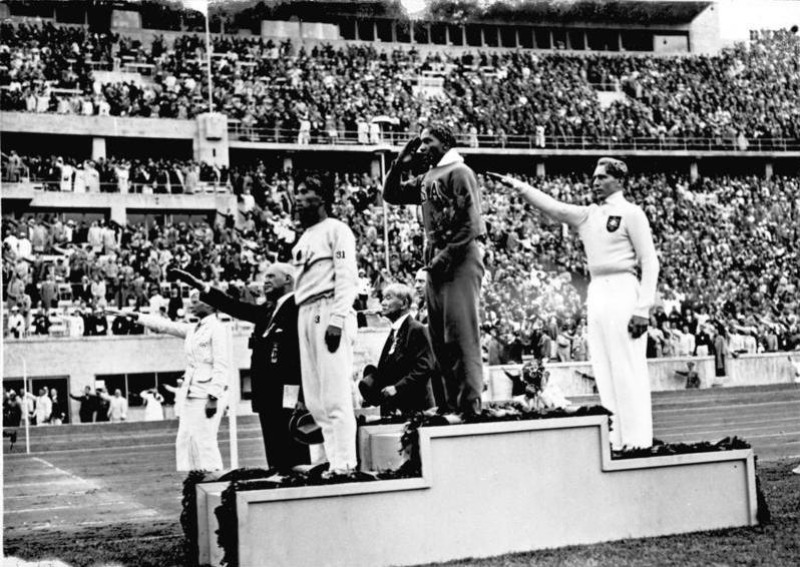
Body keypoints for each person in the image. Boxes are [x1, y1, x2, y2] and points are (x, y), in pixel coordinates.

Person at [489, 157, 659, 450]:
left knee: (626, 365)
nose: (595, 183)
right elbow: (553, 207)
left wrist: (643, 307)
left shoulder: (632, 213)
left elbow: (649, 260)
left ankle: (638, 439)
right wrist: (518, 185)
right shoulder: (588, 214)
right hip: (598, 290)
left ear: (618, 181)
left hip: (623, 286)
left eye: (601, 178)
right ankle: (616, 437)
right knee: (603, 367)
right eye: (593, 178)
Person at [383, 123, 486, 416]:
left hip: (460, 260)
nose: (422, 147)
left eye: (428, 141)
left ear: (445, 143)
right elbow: (391, 195)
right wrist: (398, 163)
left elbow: (470, 224)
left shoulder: (460, 172)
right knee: (440, 340)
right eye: (420, 143)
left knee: (461, 336)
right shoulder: (428, 176)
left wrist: (441, 259)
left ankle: (469, 406)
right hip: (437, 263)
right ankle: (449, 404)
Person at [172, 264, 310, 473]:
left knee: (294, 451)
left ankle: (302, 493)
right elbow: (233, 306)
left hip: (289, 392)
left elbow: (303, 354)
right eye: (264, 277)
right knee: (275, 455)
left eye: (272, 276)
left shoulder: (299, 308)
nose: (266, 281)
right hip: (267, 394)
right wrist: (199, 285)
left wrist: (301, 396)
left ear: (289, 279)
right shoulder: (267, 310)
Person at [107, 290, 232, 472]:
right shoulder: (193, 328)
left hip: (207, 393)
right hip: (191, 391)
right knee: (185, 438)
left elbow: (221, 364)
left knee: (205, 440)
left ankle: (215, 481)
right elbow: (165, 325)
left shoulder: (217, 328)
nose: (192, 304)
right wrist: (136, 316)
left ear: (210, 305)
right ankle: (190, 479)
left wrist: (213, 396)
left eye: (196, 301)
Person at [292, 173, 359, 477]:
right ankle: (334, 461)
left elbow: (347, 276)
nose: (298, 196)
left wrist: (337, 318)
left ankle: (346, 462)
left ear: (321, 197)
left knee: (334, 392)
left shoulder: (337, 230)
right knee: (317, 400)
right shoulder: (304, 237)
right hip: (305, 311)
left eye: (305, 190)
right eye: (298, 190)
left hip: (326, 307)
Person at [358, 283, 436, 416]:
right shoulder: (394, 332)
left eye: (388, 298)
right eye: (382, 298)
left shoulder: (417, 329)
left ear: (404, 303)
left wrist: (397, 388)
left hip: (418, 410)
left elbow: (425, 367)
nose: (383, 303)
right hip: (397, 410)